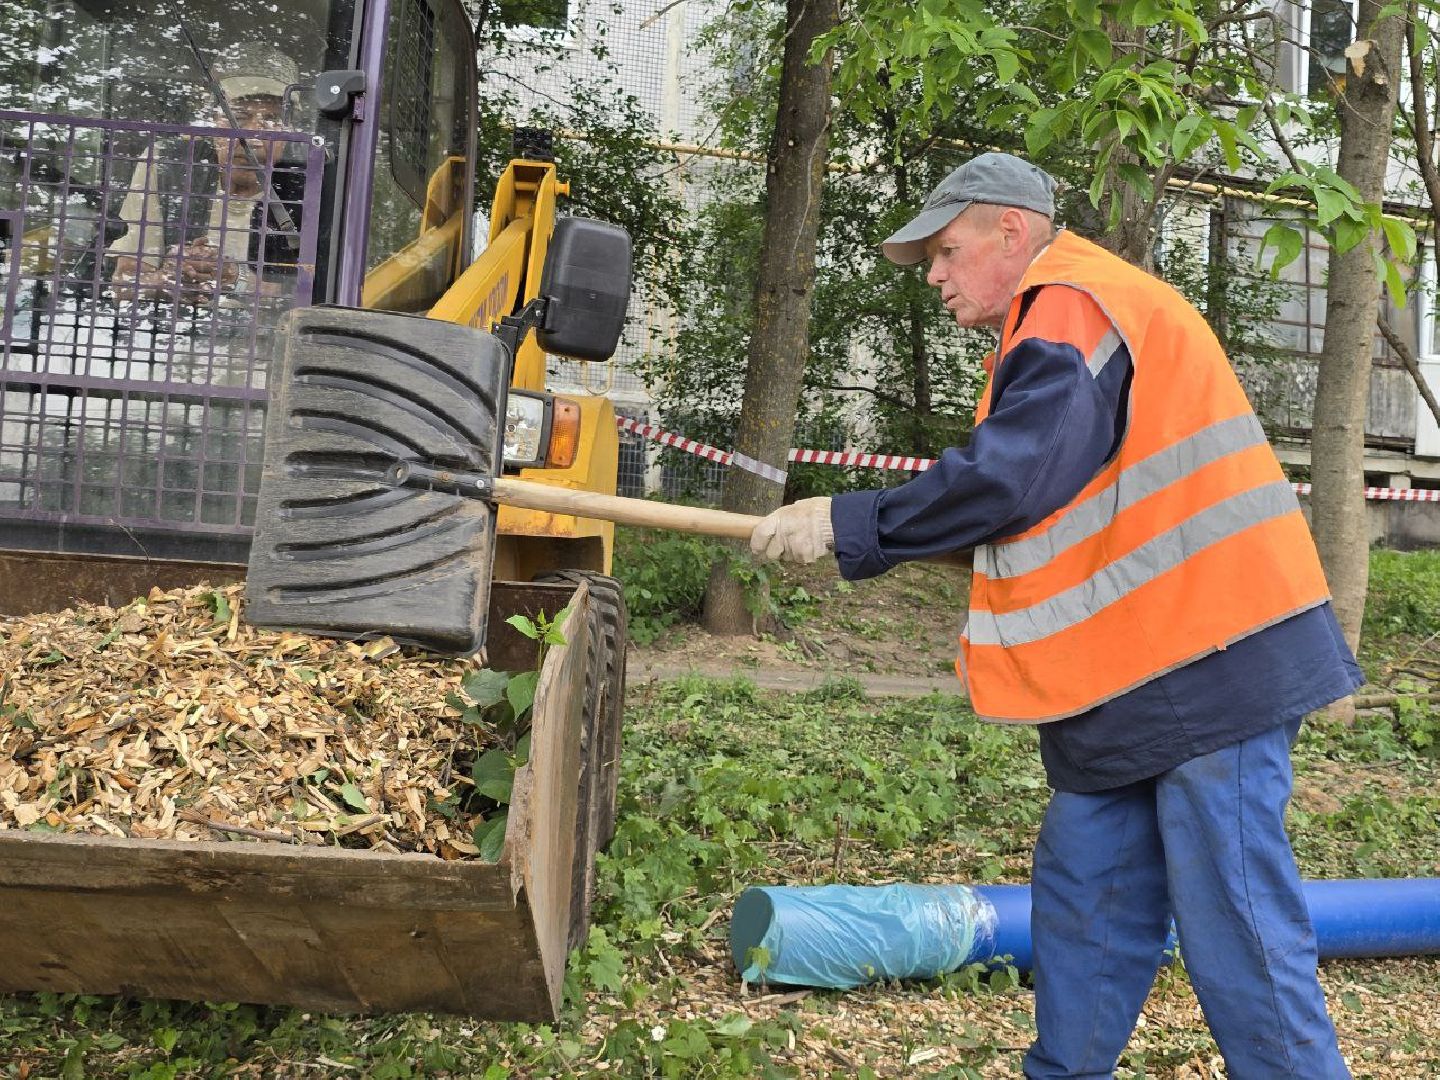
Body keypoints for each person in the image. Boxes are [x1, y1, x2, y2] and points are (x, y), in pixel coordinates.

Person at [749, 152, 1361, 1079]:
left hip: (1214, 657)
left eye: (946, 253)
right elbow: (1047, 505)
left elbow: (1008, 476)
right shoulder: (1054, 326)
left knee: (1235, 918)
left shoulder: (1073, 300)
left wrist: (852, 522)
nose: (938, 278)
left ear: (1011, 230)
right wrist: (880, 530)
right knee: (1085, 899)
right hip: (1127, 676)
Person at [107, 41, 303, 303]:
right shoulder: (168, 165)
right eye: (239, 116)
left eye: (272, 119)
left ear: (289, 132)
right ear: (214, 119)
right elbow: (124, 285)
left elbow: (321, 299)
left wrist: (237, 282)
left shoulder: (312, 187)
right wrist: (171, 280)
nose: (253, 135)